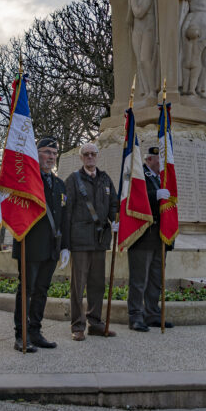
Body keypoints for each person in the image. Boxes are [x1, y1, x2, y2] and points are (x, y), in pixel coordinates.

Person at [12, 136, 70, 352]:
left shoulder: (59, 184)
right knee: (26, 290)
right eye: (47, 152)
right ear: (36, 154)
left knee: (42, 290)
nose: (51, 157)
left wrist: (65, 245)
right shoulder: (26, 181)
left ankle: (35, 331)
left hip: (51, 247)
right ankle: (21, 334)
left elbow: (64, 217)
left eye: (54, 154)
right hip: (30, 243)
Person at [64, 142, 119, 341]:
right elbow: (67, 210)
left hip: (100, 240)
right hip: (79, 240)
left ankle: (95, 322)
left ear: (98, 156)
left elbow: (114, 203)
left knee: (97, 284)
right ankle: (77, 326)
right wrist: (66, 244)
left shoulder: (105, 179)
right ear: (81, 158)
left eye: (93, 153)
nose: (90, 157)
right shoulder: (73, 179)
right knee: (78, 286)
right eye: (86, 154)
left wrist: (115, 221)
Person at [128, 147, 173, 331]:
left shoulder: (159, 178)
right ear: (150, 160)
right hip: (142, 234)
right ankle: (135, 317)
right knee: (139, 280)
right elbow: (134, 199)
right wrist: (156, 195)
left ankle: (153, 314)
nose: (161, 163)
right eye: (158, 159)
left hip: (158, 235)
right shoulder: (140, 176)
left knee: (155, 278)